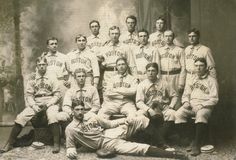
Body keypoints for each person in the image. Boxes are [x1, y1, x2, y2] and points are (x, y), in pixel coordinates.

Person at [65, 101, 188, 160]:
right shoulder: (70, 129)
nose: (80, 112)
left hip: (110, 132)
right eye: (77, 109)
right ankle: (173, 155)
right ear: (72, 111)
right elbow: (70, 147)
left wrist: (126, 120)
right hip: (106, 144)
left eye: (82, 109)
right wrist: (71, 153)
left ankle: (162, 144)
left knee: (140, 119)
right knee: (137, 148)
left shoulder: (92, 116)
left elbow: (109, 124)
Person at [0, 57, 61, 154]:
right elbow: (29, 95)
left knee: (53, 116)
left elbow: (57, 94)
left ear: (46, 65)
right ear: (37, 66)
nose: (41, 66)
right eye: (39, 65)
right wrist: (33, 105)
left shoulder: (52, 77)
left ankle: (56, 143)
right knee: (21, 117)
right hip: (36, 101)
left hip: (50, 100)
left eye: (43, 64)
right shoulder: (33, 77)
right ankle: (9, 143)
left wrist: (49, 104)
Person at [175, 58, 219, 156]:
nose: (198, 68)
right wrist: (186, 102)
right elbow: (186, 94)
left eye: (201, 65)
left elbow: (215, 99)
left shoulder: (211, 80)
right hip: (191, 105)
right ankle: (191, 139)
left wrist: (202, 105)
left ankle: (197, 145)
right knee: (178, 114)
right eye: (196, 65)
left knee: (200, 115)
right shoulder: (191, 79)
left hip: (205, 106)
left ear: (206, 67)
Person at [136, 63, 178, 148]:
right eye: (148, 71)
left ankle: (157, 140)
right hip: (148, 107)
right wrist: (149, 110)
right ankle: (161, 142)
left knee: (172, 114)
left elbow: (174, 96)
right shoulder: (142, 85)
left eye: (153, 71)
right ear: (146, 72)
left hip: (163, 107)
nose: (150, 73)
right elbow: (139, 102)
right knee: (140, 115)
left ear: (157, 72)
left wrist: (171, 106)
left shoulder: (165, 83)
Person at [158, 30, 186, 108]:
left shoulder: (179, 50)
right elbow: (157, 66)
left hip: (175, 76)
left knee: (176, 100)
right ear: (163, 37)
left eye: (170, 36)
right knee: (163, 98)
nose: (168, 38)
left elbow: (183, 67)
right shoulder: (159, 50)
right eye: (166, 36)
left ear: (173, 37)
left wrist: (181, 82)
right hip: (163, 76)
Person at [99, 26, 130, 90]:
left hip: (120, 73)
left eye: (116, 33)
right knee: (107, 93)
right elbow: (98, 63)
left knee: (120, 92)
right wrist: (101, 65)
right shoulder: (104, 47)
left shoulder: (125, 47)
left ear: (119, 34)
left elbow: (131, 64)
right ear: (109, 35)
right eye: (112, 34)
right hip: (107, 74)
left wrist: (135, 77)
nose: (114, 36)